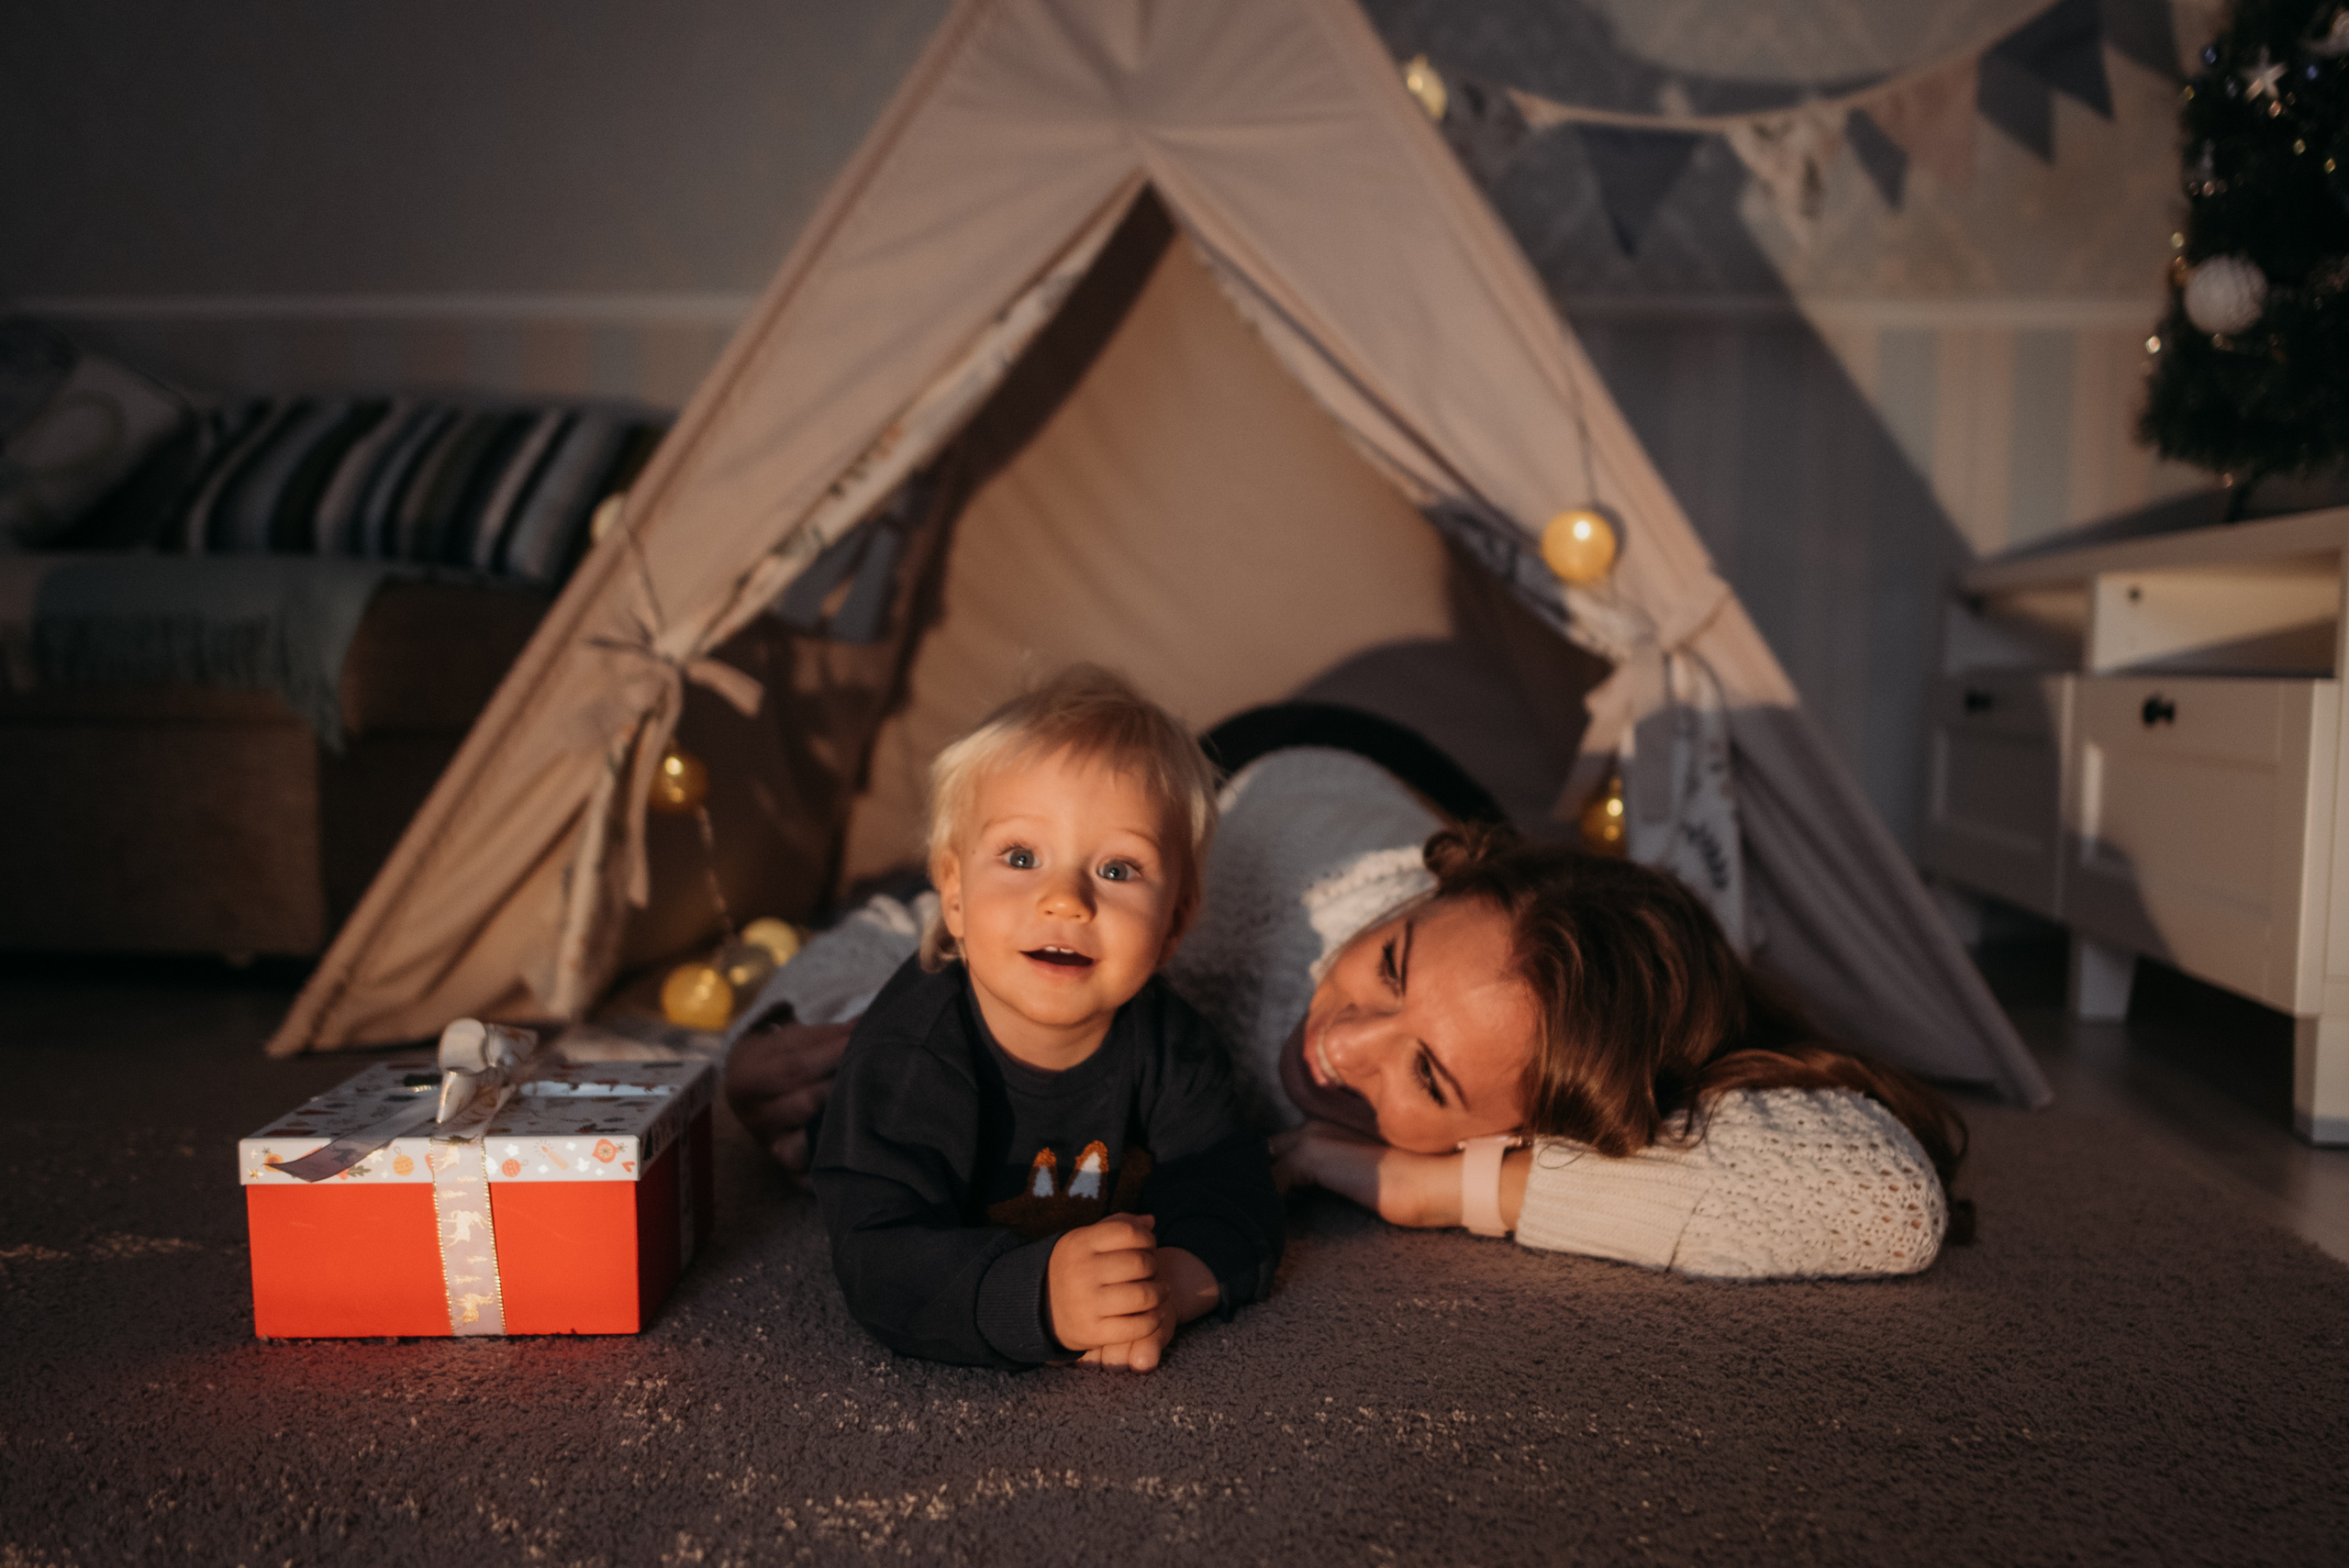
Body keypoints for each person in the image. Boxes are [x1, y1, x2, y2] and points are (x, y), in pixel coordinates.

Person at [733, 729, 1965, 1284]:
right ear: (1432, 895)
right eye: (1389, 970)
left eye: (1429, 1079)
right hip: (1286, 765)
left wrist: (1430, 1186)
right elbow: (914, 919)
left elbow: (1881, 1200)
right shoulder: (1242, 909)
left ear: (1526, 1126)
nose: (1340, 1047)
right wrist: (792, 1028)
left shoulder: (1546, 1071)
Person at [802, 667, 1284, 1373]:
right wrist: (1038, 1299)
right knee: (818, 1131)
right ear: (955, 895)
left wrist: (1172, 1284)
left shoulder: (1173, 1046)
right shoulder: (912, 1054)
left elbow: (1234, 1190)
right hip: (863, 1119)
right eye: (1021, 857)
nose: (1066, 899)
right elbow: (880, 1257)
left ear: (1175, 922)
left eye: (1119, 869)